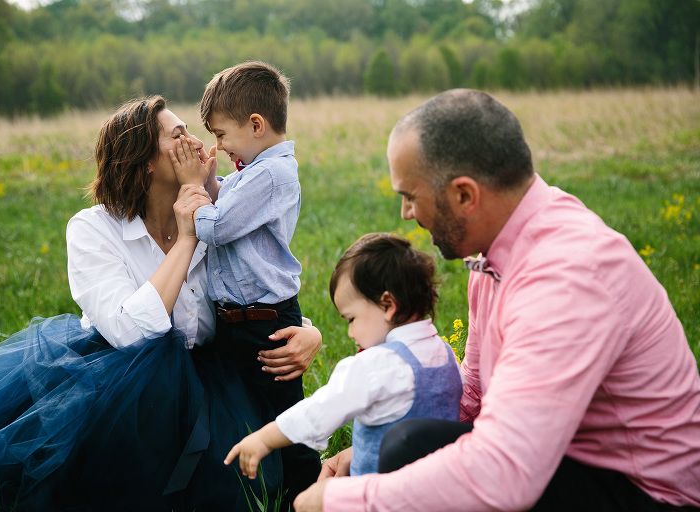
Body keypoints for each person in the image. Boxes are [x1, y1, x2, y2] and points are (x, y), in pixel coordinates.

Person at [294, 89, 700, 512]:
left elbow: (505, 473)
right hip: (569, 460)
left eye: (411, 196)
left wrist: (345, 500)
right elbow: (472, 396)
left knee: (413, 455)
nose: (405, 213)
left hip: (645, 494)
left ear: (465, 195)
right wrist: (369, 456)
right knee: (405, 445)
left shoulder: (564, 276)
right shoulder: (493, 257)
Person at [0, 95, 322, 512]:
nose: (196, 142)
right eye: (178, 135)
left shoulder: (223, 210)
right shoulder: (92, 229)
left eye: (190, 130)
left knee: (260, 478)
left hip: (215, 378)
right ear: (146, 161)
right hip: (119, 384)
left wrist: (310, 330)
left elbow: (258, 285)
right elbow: (130, 333)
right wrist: (188, 238)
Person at [171, 60, 322, 500]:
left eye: (221, 135)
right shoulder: (250, 173)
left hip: (265, 324)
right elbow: (225, 203)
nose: (219, 145)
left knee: (284, 417)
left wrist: (188, 188)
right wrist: (206, 181)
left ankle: (307, 496)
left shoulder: (274, 174)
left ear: (256, 124)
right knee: (240, 409)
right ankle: (258, 489)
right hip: (235, 321)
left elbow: (216, 226)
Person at [224, 232, 462, 478]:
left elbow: (318, 413)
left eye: (351, 319)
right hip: (438, 487)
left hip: (378, 494)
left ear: (388, 305)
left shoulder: (375, 365)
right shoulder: (446, 354)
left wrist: (263, 439)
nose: (349, 332)